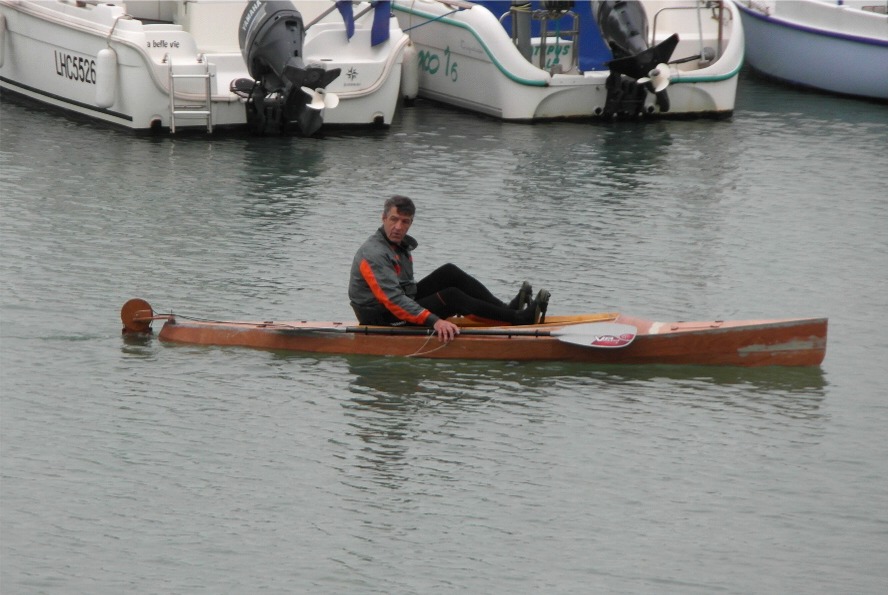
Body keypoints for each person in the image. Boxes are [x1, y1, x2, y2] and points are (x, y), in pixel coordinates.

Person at [348, 195, 550, 342]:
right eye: (394, 220)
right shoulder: (373, 254)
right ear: (383, 218)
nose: (399, 227)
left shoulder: (398, 245)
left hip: (398, 305)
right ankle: (517, 319)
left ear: (411, 223)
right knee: (451, 297)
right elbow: (393, 301)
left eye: (405, 222)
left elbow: (406, 290)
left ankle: (506, 311)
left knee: (449, 272)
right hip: (381, 319)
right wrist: (435, 321)